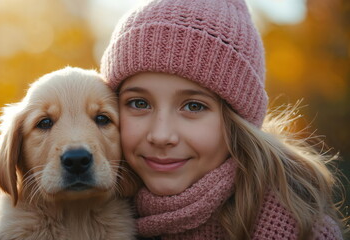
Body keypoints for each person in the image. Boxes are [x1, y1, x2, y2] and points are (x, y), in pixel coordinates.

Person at [100, 0, 346, 239]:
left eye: (193, 106)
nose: (161, 135)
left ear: (236, 120)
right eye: (139, 103)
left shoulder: (297, 229)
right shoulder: (81, 210)